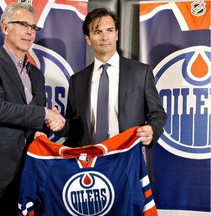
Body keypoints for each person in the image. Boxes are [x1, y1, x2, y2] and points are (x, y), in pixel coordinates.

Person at [0, 2, 65, 216]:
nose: (29, 31)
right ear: (5, 27)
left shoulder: (36, 74)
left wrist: (52, 122)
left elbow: (34, 120)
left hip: (26, 171)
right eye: (23, 24)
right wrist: (44, 113)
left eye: (33, 27)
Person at [52, 7, 167, 183]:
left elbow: (157, 114)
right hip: (89, 167)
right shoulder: (78, 80)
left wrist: (152, 129)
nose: (105, 37)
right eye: (97, 32)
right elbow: (75, 127)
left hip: (129, 162)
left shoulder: (140, 72)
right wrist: (61, 125)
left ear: (117, 34)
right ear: (88, 39)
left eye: (110, 30)